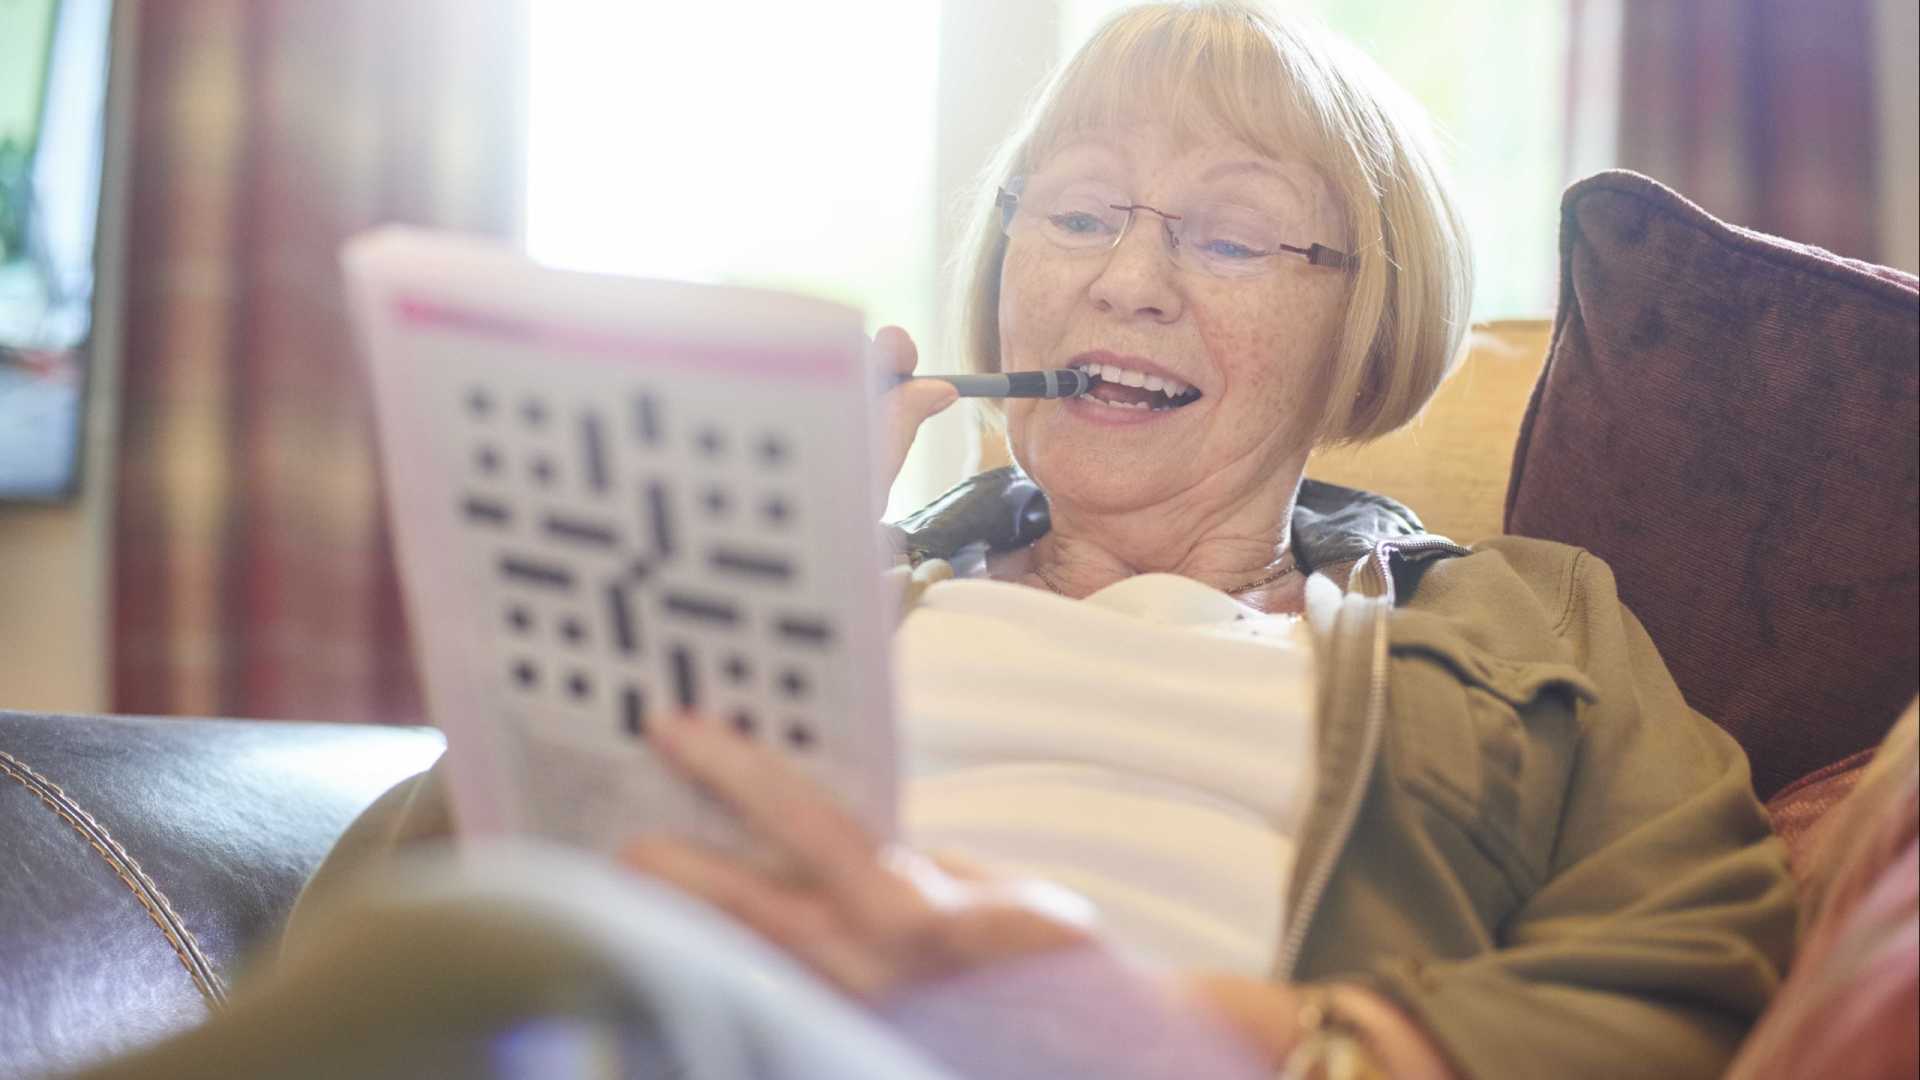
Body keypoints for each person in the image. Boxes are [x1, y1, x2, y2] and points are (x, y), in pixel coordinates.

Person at [283, 3, 1795, 1077]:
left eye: (1227, 234)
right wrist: (718, 605)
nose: (1126, 280)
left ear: (1364, 323)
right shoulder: (856, 591)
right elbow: (388, 926)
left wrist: (1183, 1036)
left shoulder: (1527, 625)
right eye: (1076, 216)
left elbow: (1687, 983)